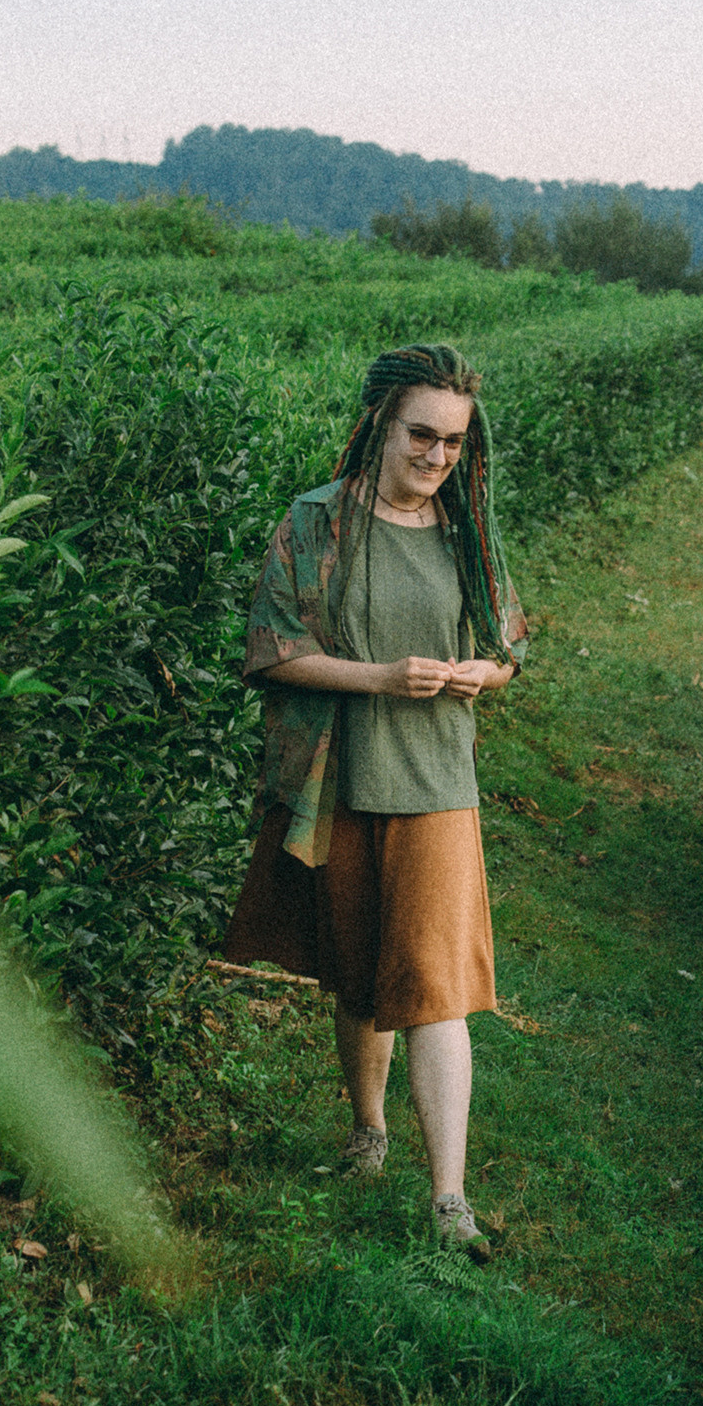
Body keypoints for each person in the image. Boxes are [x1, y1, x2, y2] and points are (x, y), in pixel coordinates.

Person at [222, 343, 527, 1253]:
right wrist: (382, 678)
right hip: (342, 776)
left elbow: (511, 645)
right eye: (421, 437)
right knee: (357, 975)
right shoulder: (316, 523)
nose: (437, 459)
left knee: (435, 989)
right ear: (378, 428)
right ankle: (369, 1131)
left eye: (454, 444)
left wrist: (487, 671)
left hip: (438, 780)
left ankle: (448, 1201)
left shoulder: (468, 529)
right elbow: (273, 651)